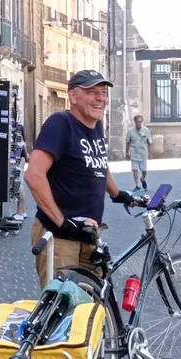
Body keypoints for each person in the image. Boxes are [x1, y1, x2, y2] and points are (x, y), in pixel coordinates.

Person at [26, 69, 135, 289]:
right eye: (92, 92)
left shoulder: (95, 127)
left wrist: (118, 194)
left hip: (89, 235)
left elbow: (98, 165)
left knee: (90, 308)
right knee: (63, 309)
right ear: (73, 96)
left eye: (103, 93)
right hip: (59, 237)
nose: (100, 99)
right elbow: (33, 175)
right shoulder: (61, 124)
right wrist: (62, 222)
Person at [126, 114, 152, 192]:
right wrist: (127, 153)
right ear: (134, 122)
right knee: (135, 169)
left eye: (139, 122)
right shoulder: (130, 131)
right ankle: (137, 185)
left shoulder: (146, 131)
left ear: (142, 122)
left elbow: (149, 143)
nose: (138, 123)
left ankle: (142, 179)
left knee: (144, 171)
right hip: (134, 153)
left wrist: (150, 153)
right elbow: (127, 142)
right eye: (137, 122)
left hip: (143, 154)